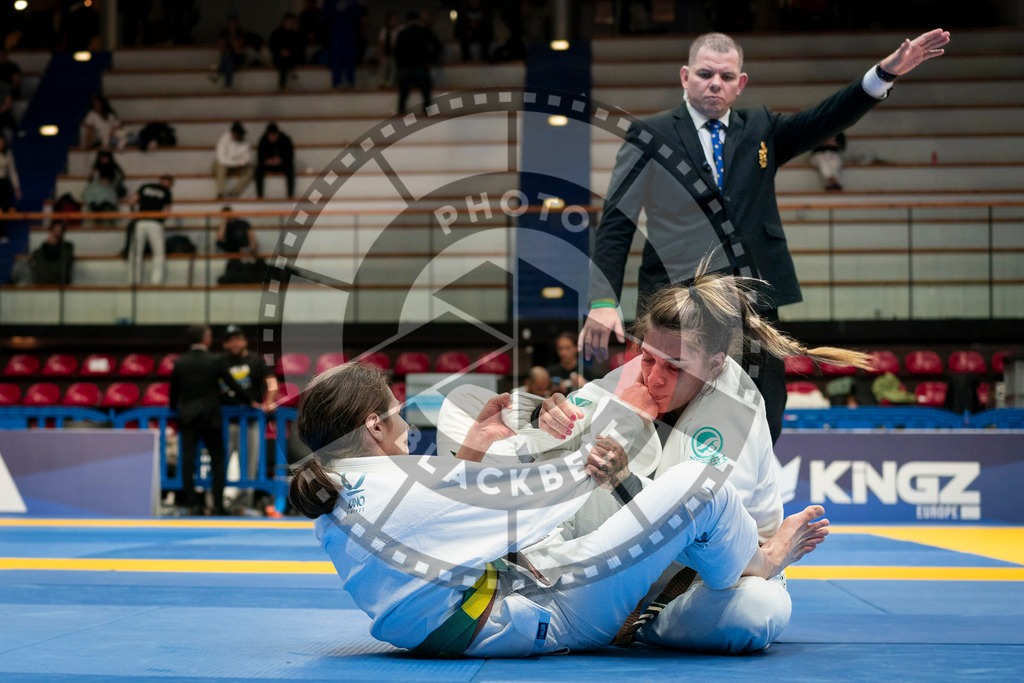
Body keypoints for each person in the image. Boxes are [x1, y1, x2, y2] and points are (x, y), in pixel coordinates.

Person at [439, 259, 872, 652]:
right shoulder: (634, 374)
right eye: (648, 357)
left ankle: (634, 620)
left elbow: (708, 547)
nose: (654, 377)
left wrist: (625, 480)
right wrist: (544, 418)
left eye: (675, 367)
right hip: (610, 569)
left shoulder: (734, 409)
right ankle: (611, 616)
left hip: (702, 580)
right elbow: (548, 440)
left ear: (715, 365)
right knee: (471, 412)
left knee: (754, 613)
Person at [290, 362, 829, 657]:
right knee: (700, 485)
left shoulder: (348, 487)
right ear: (373, 427)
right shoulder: (399, 496)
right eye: (397, 414)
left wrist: (477, 444)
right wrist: (623, 423)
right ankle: (762, 559)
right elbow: (526, 501)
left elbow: (457, 517)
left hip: (515, 594)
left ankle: (729, 568)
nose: (407, 427)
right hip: (557, 611)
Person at [579, 29, 951, 445]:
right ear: (685, 77)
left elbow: (825, 118)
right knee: (667, 408)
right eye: (704, 74)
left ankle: (755, 503)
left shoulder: (761, 127)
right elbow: (616, 221)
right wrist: (603, 299)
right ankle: (663, 495)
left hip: (750, 299)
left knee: (765, 406)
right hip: (677, 300)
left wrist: (883, 74)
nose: (714, 83)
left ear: (741, 84)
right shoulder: (650, 134)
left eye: (725, 75)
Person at [171, 325, 260, 515]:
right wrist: (251, 401)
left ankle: (193, 504)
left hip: (188, 417)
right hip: (211, 417)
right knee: (218, 459)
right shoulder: (215, 360)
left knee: (188, 460)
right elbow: (232, 385)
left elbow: (174, 393)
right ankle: (218, 505)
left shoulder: (180, 362)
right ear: (206, 339)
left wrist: (174, 409)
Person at [220, 324, 279, 500]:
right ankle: (216, 502)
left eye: (238, 339)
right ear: (225, 344)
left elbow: (272, 383)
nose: (235, 343)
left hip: (251, 421)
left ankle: (246, 503)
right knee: (220, 463)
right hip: (225, 422)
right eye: (230, 340)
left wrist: (269, 401)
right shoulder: (220, 362)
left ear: (245, 341)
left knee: (250, 464)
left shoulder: (256, 360)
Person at [393, 11, 442, 115]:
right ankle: (427, 113)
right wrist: (432, 61)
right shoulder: (425, 31)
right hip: (422, 67)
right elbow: (438, 46)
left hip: (407, 69)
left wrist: (400, 66)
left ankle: (401, 113)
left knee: (403, 94)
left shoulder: (403, 33)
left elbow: (397, 52)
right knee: (426, 93)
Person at [129, 174, 173, 286]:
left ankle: (134, 280)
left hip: (140, 221)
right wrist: (162, 220)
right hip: (155, 222)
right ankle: (156, 281)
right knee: (158, 253)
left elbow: (133, 201)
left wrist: (134, 215)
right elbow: (167, 211)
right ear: (170, 183)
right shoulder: (166, 192)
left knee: (136, 252)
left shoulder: (145, 186)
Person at [213, 122, 254, 199]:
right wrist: (236, 163)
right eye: (238, 134)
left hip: (237, 165)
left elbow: (247, 158)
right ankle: (221, 193)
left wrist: (240, 163)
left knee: (250, 170)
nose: (241, 136)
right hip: (225, 164)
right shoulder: (224, 139)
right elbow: (221, 159)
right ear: (234, 134)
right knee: (220, 167)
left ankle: (233, 194)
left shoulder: (245, 141)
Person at [255, 123, 295, 199]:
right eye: (270, 136)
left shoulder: (285, 140)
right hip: (267, 165)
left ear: (278, 134)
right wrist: (269, 161)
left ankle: (290, 195)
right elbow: (260, 158)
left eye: (274, 135)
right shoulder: (263, 141)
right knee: (258, 170)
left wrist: (281, 160)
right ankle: (260, 196)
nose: (272, 137)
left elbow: (290, 157)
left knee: (290, 169)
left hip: (282, 165)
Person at [30, 220, 74, 285]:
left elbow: (62, 260)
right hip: (45, 277)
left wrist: (54, 245)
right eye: (55, 231)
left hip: (60, 278)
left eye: (59, 231)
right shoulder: (44, 247)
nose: (57, 233)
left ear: (62, 232)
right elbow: (36, 254)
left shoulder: (67, 246)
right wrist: (47, 245)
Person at [269, 13, 304, 91]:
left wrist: (290, 52)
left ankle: (288, 83)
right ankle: (282, 85)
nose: (291, 24)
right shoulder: (277, 33)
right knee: (284, 61)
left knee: (288, 60)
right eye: (290, 22)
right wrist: (281, 51)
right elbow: (273, 46)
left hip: (293, 58)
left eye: (293, 22)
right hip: (280, 58)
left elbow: (299, 48)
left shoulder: (296, 35)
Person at [0, 135, 20, 242]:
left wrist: (16, 188)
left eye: (2, 142)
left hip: (3, 183)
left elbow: (12, 172)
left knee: (5, 208)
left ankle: (3, 233)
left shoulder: (8, 154)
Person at [376, 11, 400, 88]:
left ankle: (391, 84)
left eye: (395, 20)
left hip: (395, 55)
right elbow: (381, 45)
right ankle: (382, 83)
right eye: (392, 20)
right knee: (384, 68)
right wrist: (380, 57)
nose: (394, 22)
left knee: (393, 69)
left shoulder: (399, 31)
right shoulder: (384, 31)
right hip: (386, 54)